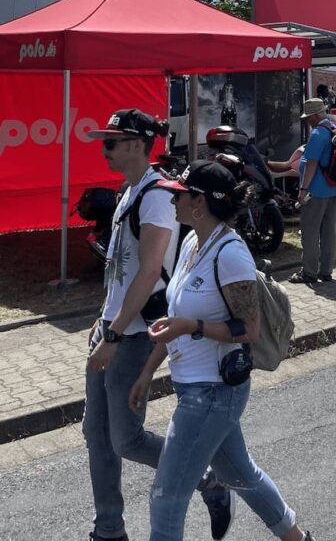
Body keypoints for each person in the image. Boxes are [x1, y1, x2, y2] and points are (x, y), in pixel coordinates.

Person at [129, 160, 313, 541]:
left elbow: (249, 330)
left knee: (167, 495)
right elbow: (176, 315)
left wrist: (191, 327)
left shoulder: (230, 254)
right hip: (195, 388)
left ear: (200, 203)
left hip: (213, 394)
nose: (172, 201)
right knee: (240, 475)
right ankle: (297, 538)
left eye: (179, 195)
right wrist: (148, 371)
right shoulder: (193, 242)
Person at [83, 109, 233, 541]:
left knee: (125, 441)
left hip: (129, 338)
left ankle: (207, 478)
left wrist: (113, 334)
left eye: (111, 141)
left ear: (135, 144)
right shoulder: (129, 191)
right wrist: (102, 319)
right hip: (110, 328)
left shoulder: (154, 196)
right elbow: (122, 270)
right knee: (97, 436)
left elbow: (150, 271)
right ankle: (108, 529)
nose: (104, 148)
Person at [288, 98, 336, 284]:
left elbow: (311, 163)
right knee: (328, 232)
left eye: (308, 117)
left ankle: (309, 272)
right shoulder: (334, 128)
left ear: (315, 116)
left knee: (310, 231)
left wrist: (303, 190)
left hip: (316, 191)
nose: (307, 121)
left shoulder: (318, 133)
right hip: (332, 189)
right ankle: (326, 272)